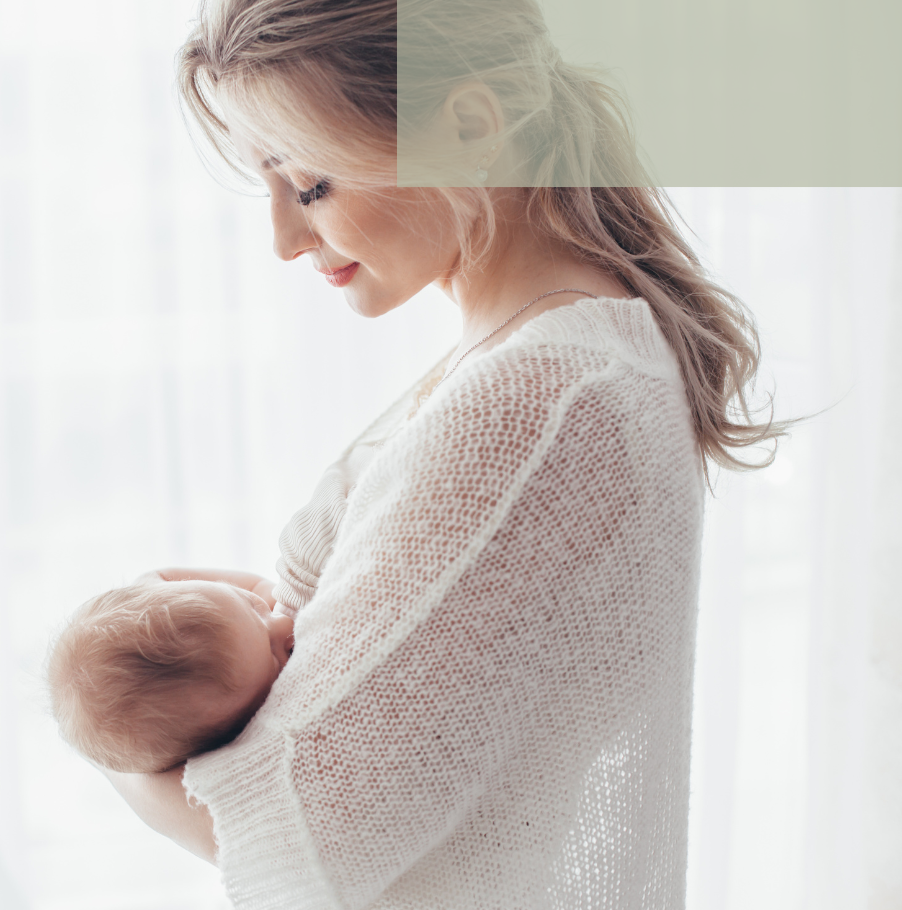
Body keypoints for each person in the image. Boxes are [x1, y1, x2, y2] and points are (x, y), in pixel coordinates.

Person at [98, 0, 787, 907]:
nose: (283, 240)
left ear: (468, 126)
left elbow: (311, 835)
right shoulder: (542, 353)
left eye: (310, 186)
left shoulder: (540, 401)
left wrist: (109, 735)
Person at [45, 570, 295, 775]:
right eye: (274, 658)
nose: (285, 623)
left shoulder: (161, 584)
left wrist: (266, 595)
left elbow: (259, 586)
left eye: (252, 605)